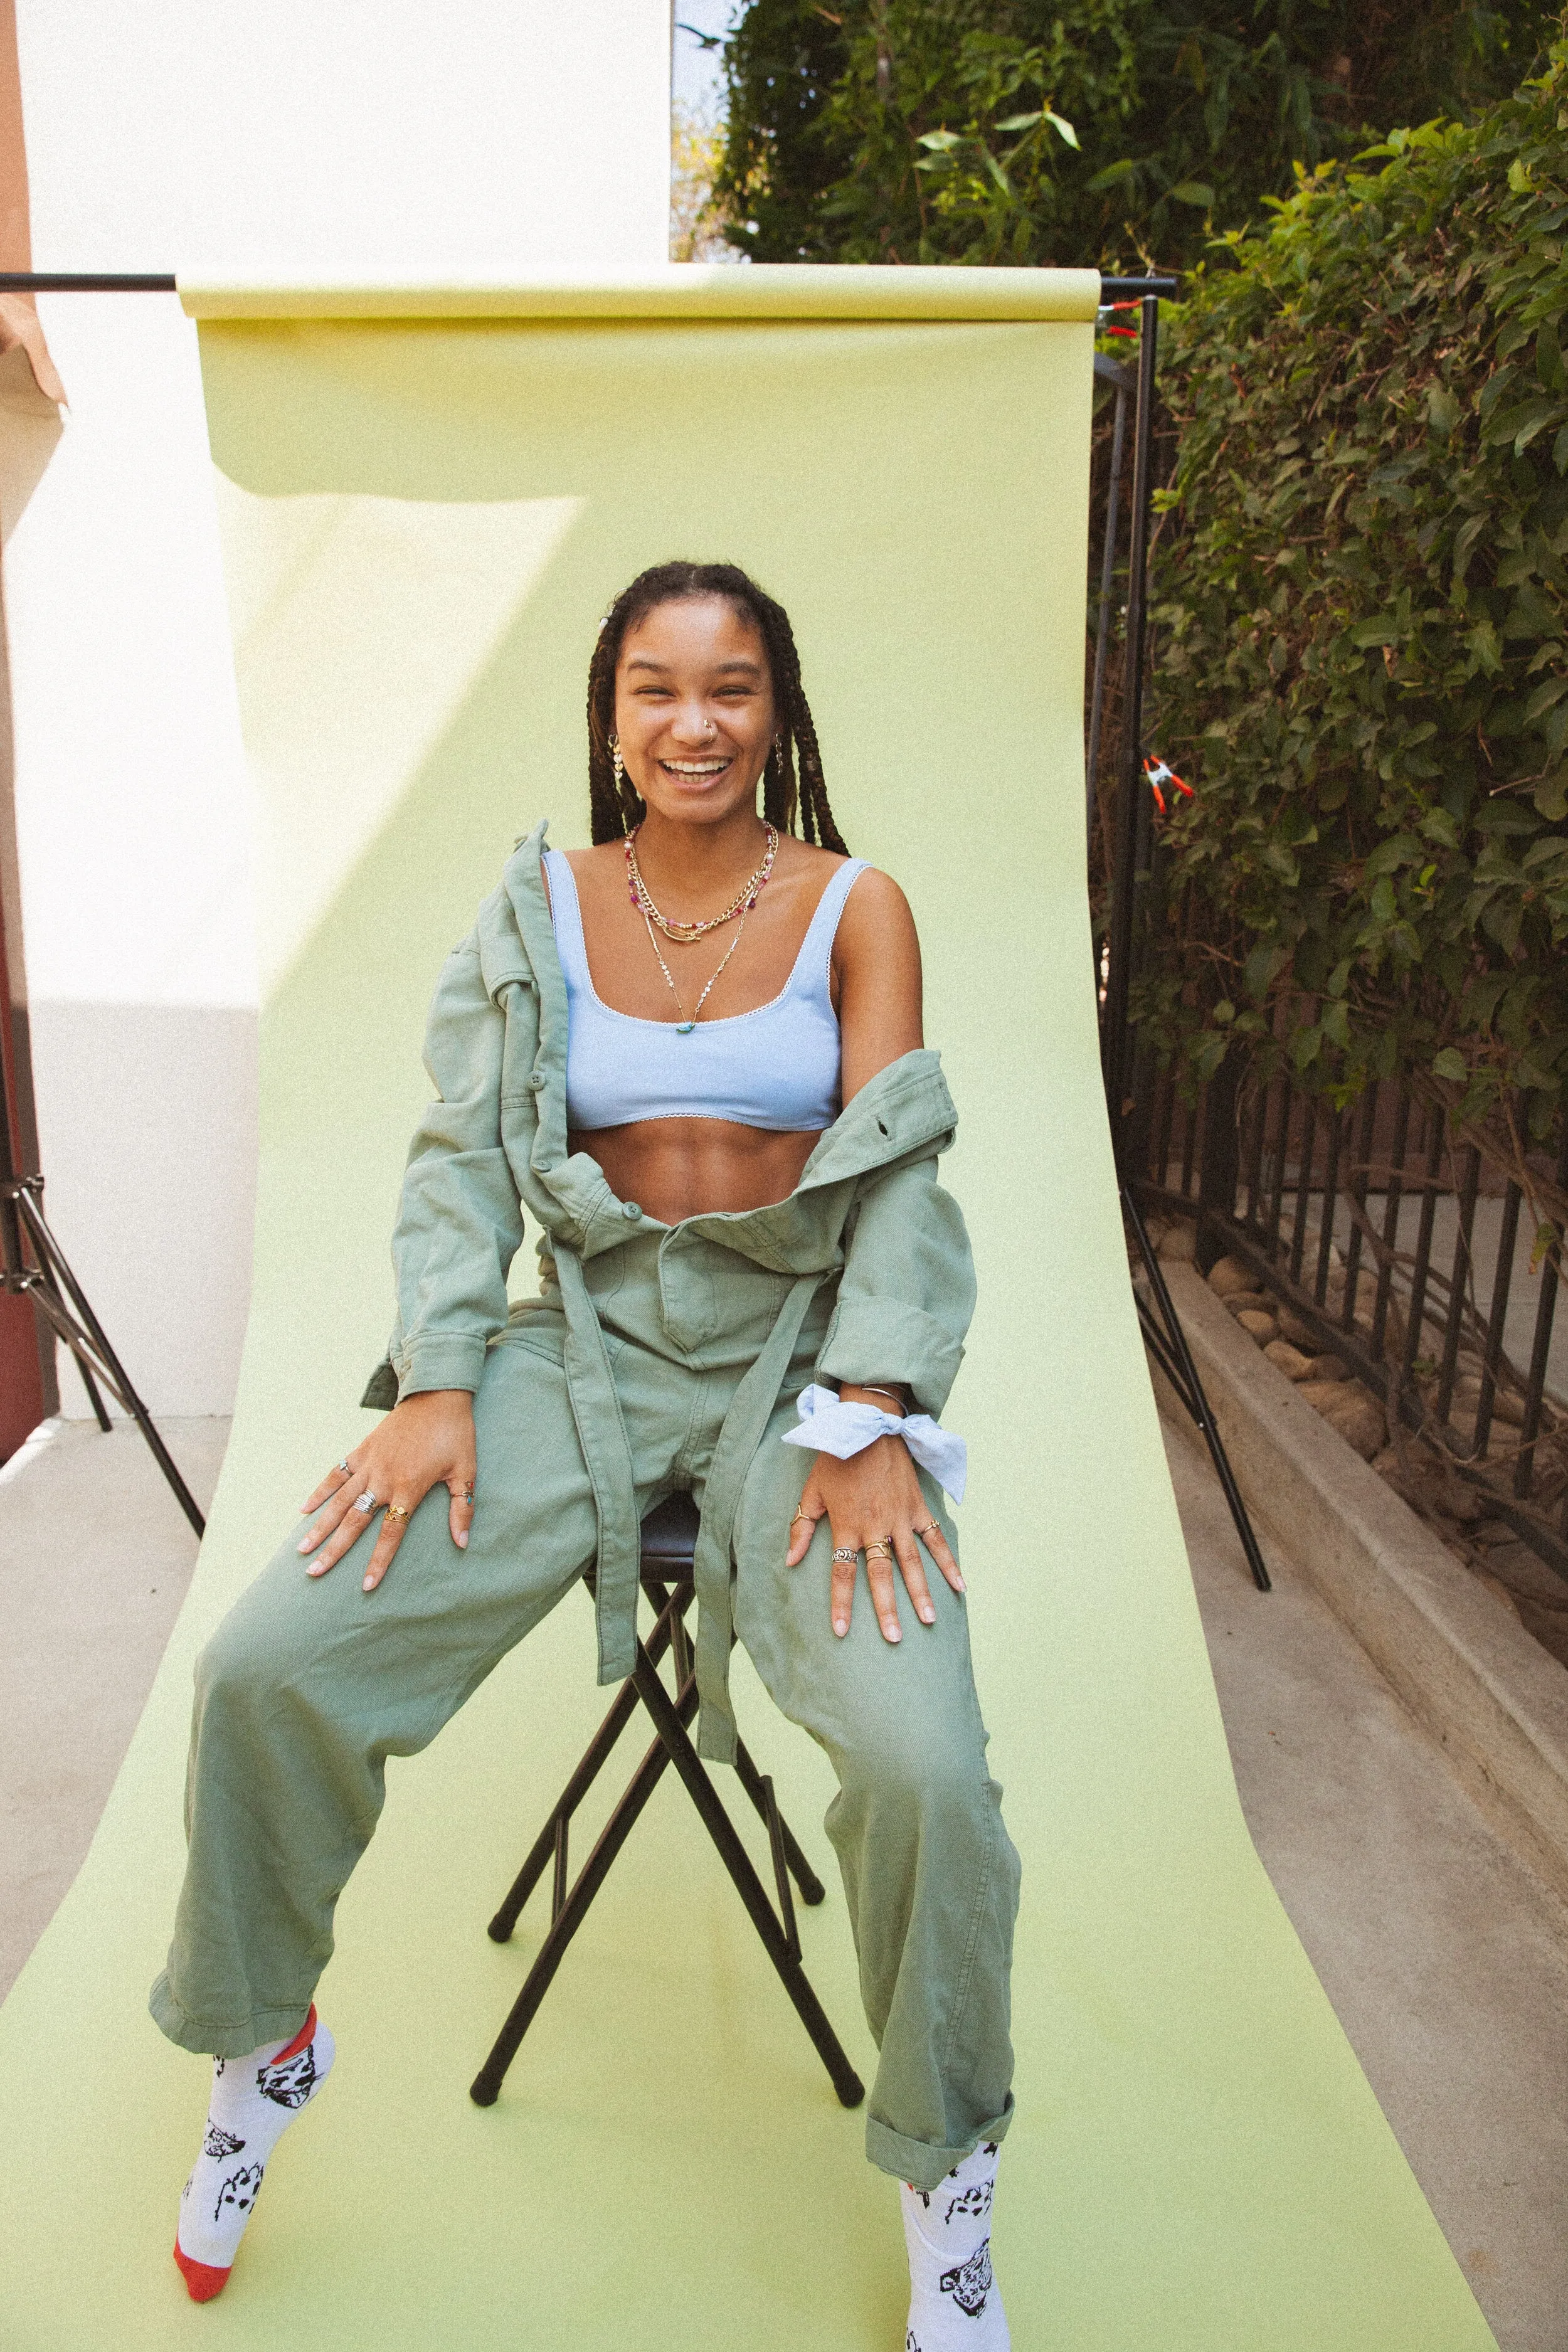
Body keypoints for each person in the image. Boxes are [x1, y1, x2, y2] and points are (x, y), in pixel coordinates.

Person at [152, 560, 1020, 2349]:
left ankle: (948, 2168)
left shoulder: (858, 905)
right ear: (612, 715)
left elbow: (897, 1173)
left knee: (930, 1766)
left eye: (728, 686)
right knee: (267, 1658)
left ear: (776, 706)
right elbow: (461, 1160)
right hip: (585, 1345)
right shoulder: (536, 905)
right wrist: (440, 1375)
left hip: (798, 1358)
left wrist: (873, 1412)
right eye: (653, 687)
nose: (691, 722)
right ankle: (265, 2040)